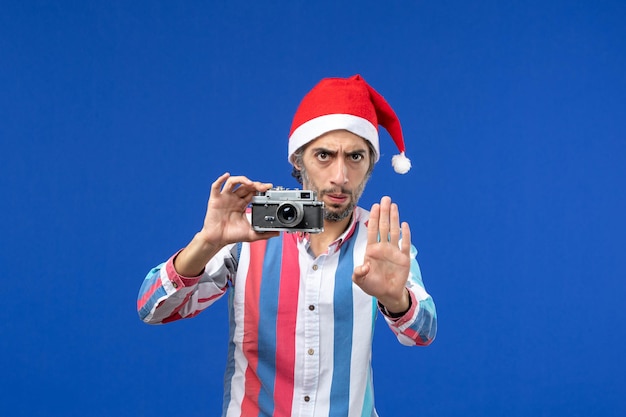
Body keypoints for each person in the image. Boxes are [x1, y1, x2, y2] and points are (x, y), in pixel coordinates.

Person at [137, 74, 437, 417]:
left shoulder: (381, 241)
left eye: (355, 157)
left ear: (370, 164)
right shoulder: (245, 233)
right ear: (298, 159)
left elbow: (423, 333)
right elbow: (152, 310)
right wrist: (205, 243)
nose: (340, 176)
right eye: (324, 155)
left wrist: (396, 300)